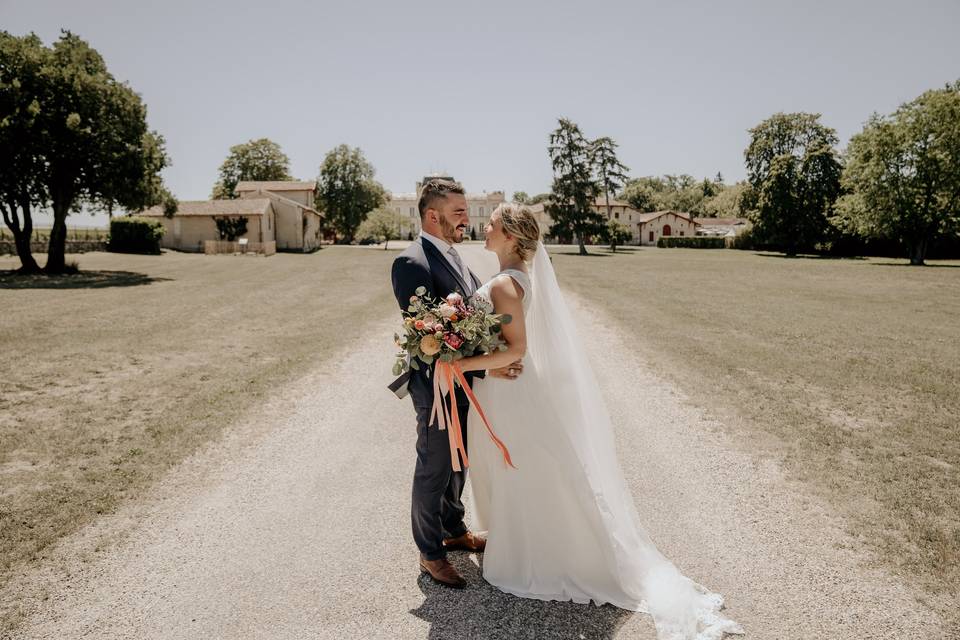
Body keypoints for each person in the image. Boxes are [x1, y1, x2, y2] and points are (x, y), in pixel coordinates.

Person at [455, 204, 744, 640]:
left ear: (511, 236)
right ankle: (515, 541)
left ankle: (536, 554)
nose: (486, 227)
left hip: (511, 390)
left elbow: (516, 350)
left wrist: (461, 363)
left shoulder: (506, 285)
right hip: (500, 389)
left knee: (522, 465)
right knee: (512, 463)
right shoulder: (508, 279)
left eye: (493, 222)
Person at [389, 179, 523, 589]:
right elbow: (431, 340)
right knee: (434, 466)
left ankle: (453, 528)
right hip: (435, 387)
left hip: (462, 382)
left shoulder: (457, 258)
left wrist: (490, 359)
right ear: (433, 215)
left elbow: (468, 328)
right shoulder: (412, 263)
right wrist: (487, 368)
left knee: (459, 461)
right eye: (459, 212)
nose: (468, 218)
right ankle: (430, 552)